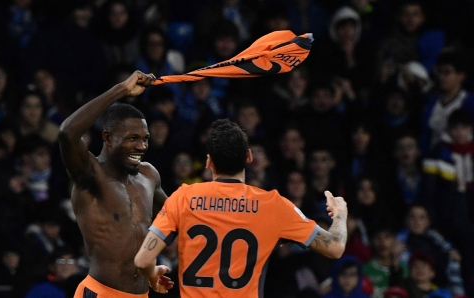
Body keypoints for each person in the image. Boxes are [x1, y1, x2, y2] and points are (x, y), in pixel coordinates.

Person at [134, 119, 348, 296]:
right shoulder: (273, 204)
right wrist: (339, 215)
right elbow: (335, 247)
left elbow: (143, 259)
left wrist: (153, 275)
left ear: (208, 161)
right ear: (248, 157)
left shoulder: (182, 198)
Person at [58, 70, 172, 297]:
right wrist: (121, 90)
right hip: (102, 293)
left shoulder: (149, 175)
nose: (141, 146)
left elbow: (172, 221)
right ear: (108, 138)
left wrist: (149, 268)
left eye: (145, 139)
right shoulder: (90, 174)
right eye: (132, 138)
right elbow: (67, 133)